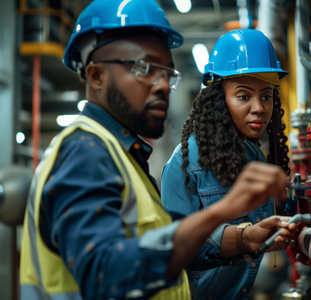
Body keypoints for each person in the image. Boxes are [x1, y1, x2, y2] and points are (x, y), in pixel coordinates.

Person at [19, 2, 294, 300]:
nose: (162, 85)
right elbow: (106, 274)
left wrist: (244, 238)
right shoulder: (84, 153)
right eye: (145, 68)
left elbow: (176, 247)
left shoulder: (122, 158)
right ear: (96, 75)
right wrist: (222, 212)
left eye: (167, 73)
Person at [161, 29, 292, 300]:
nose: (259, 107)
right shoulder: (186, 163)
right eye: (244, 96)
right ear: (220, 100)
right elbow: (176, 247)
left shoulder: (253, 156)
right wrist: (244, 238)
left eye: (266, 96)